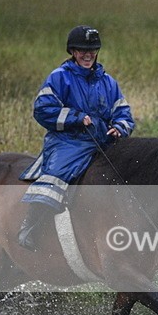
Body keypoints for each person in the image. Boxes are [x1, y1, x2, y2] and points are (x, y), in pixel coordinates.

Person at [18, 25, 135, 250]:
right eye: (82, 50)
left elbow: (124, 113)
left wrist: (120, 127)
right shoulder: (59, 77)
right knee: (57, 173)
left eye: (91, 50)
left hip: (103, 142)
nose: (87, 55)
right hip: (68, 142)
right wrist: (76, 117)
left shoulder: (108, 82)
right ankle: (30, 225)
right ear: (73, 51)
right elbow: (42, 109)